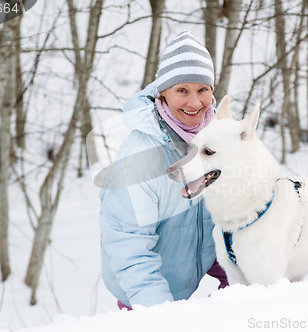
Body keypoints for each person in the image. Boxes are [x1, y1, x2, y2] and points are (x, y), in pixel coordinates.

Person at [99, 31, 228, 311]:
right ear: (162, 94)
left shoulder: (218, 140)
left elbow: (230, 218)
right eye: (182, 90)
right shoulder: (139, 159)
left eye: (202, 89)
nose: (195, 103)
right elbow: (130, 251)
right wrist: (162, 318)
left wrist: (245, 285)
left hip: (193, 271)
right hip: (142, 297)